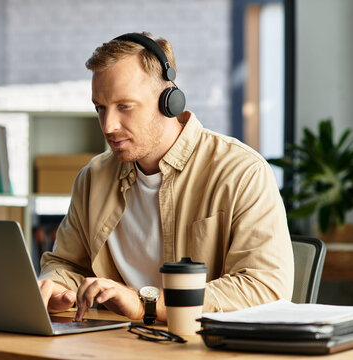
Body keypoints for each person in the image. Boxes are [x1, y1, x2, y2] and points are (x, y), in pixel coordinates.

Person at [38, 32, 294, 323]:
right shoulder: (93, 178)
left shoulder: (241, 172)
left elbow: (265, 287)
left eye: (124, 106)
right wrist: (55, 285)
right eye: (100, 108)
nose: (108, 126)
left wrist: (147, 304)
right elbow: (66, 263)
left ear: (168, 101)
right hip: (119, 342)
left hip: (205, 347)